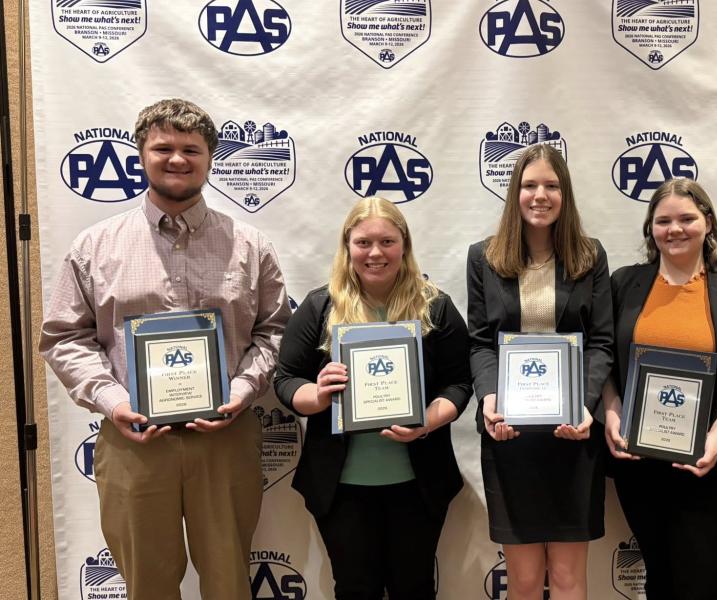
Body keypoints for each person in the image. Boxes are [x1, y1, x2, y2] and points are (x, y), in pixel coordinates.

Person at [39, 98, 291, 600]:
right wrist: (114, 402)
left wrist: (242, 392)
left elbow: (276, 331)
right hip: (134, 440)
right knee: (147, 585)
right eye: (164, 148)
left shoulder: (250, 246)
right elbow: (64, 336)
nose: (177, 159)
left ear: (210, 157)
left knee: (228, 583)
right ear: (140, 153)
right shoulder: (94, 247)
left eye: (191, 149)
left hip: (225, 435)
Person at [273, 197, 472, 599]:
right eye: (363, 242)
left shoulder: (435, 306)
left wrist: (427, 422)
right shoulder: (318, 307)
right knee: (354, 589)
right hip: (341, 486)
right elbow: (286, 379)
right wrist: (318, 395)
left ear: (405, 245)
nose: (375, 253)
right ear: (347, 247)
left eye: (387, 241)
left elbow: (460, 383)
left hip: (418, 484)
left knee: (414, 589)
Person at [602, 177, 717, 599]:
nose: (674, 229)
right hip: (640, 466)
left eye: (686, 218)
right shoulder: (624, 284)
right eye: (663, 221)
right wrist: (611, 413)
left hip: (711, 466)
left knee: (697, 584)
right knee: (660, 580)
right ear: (651, 229)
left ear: (708, 223)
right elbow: (603, 361)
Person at [466, 143, 613, 600]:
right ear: (515, 193)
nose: (540, 195)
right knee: (525, 580)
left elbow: (602, 342)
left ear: (564, 194)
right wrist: (490, 400)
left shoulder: (590, 256)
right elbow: (480, 343)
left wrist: (585, 407)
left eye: (551, 185)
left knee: (569, 578)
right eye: (530, 185)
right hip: (508, 433)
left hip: (574, 435)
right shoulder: (484, 257)